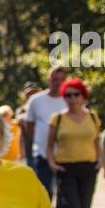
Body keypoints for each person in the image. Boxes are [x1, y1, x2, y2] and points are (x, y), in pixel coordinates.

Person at [47, 78, 102, 208]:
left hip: (88, 167)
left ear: (83, 96)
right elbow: (49, 144)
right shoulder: (58, 118)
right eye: (68, 95)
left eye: (76, 94)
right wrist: (52, 163)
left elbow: (97, 141)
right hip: (66, 167)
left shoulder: (92, 117)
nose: (72, 99)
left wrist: (99, 160)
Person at [23, 66, 68, 196]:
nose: (58, 82)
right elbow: (29, 125)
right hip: (42, 154)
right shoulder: (36, 100)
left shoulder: (71, 98)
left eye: (61, 79)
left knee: (64, 194)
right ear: (48, 80)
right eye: (54, 79)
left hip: (65, 154)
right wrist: (39, 141)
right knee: (44, 191)